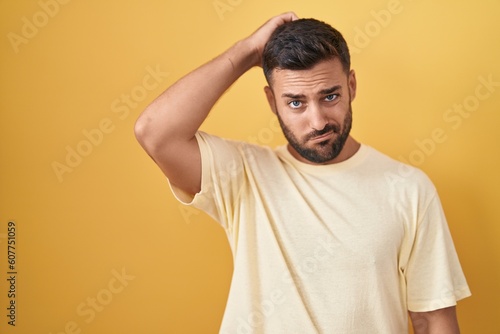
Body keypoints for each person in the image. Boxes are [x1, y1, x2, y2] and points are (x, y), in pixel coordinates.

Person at [134, 12, 471, 333]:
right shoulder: (243, 175)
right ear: (272, 102)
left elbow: (433, 322)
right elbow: (155, 132)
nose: (318, 121)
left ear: (351, 86)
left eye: (330, 96)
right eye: (296, 102)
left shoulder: (409, 189)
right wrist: (247, 51)